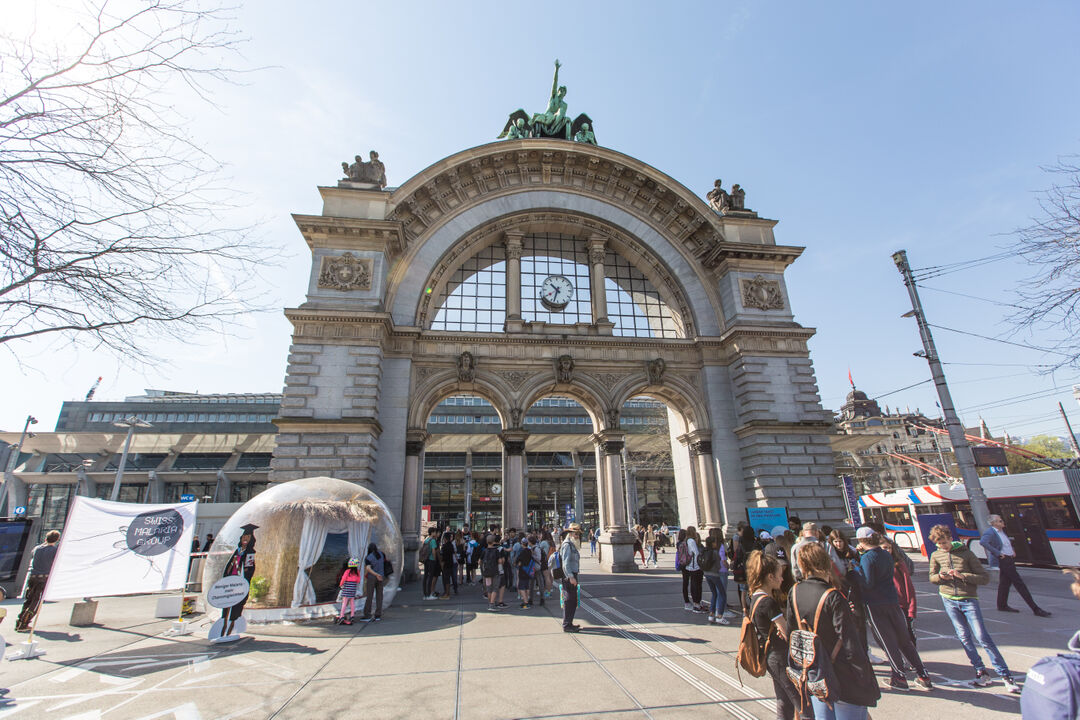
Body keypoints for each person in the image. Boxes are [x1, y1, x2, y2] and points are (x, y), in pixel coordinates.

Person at [788, 543, 881, 720]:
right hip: (842, 672)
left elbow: (793, 633)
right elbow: (849, 641)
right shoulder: (833, 596)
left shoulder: (794, 591)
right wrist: (863, 676)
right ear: (826, 563)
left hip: (816, 672)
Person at [928, 523, 1021, 693]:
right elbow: (932, 577)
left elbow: (984, 578)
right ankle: (980, 671)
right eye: (940, 543)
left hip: (968, 598)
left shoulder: (967, 554)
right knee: (963, 636)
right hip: (948, 599)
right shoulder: (935, 555)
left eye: (945, 542)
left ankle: (1005, 675)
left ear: (950, 538)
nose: (943, 546)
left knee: (982, 637)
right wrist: (940, 577)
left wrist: (962, 575)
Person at [853, 526, 933, 691]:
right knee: (904, 640)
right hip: (892, 601)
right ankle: (923, 674)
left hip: (875, 604)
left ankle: (899, 677)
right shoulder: (885, 554)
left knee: (886, 640)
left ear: (861, 541)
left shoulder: (868, 558)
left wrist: (855, 570)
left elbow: (868, 583)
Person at [745, 550, 803, 720]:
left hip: (770, 656)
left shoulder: (754, 597)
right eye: (779, 575)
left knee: (784, 702)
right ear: (770, 577)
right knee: (801, 703)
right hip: (780, 656)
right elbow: (786, 632)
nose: (782, 579)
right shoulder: (768, 602)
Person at [980, 514, 1052, 617]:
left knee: (1004, 583)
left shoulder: (1001, 531)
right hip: (1004, 560)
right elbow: (983, 542)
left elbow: (1005, 543)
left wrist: (1012, 550)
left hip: (1009, 558)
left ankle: (1002, 605)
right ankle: (1035, 609)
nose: (1002, 522)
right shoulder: (990, 532)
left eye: (1001, 520)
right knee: (1019, 583)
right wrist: (998, 553)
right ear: (994, 523)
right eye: (1000, 521)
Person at [15, 530, 60, 632]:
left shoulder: (37, 548)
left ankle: (20, 621)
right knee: (36, 602)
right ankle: (24, 624)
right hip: (43, 578)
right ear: (57, 540)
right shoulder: (54, 550)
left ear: (45, 538)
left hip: (32, 577)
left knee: (29, 600)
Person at [880, 536, 918, 647]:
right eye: (883, 548)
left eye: (888, 548)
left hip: (902, 605)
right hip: (887, 605)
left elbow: (909, 587)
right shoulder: (876, 564)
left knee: (908, 635)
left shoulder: (898, 564)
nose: (887, 551)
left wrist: (912, 608)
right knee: (893, 636)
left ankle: (914, 661)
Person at [559, 523, 582, 632]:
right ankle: (566, 625)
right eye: (576, 533)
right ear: (570, 533)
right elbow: (565, 563)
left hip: (572, 574)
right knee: (569, 600)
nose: (577, 536)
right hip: (569, 576)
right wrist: (571, 577)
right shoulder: (567, 544)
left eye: (578, 534)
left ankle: (570, 622)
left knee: (573, 600)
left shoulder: (572, 544)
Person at [702, 535, 730, 624]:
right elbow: (718, 565)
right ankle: (720, 615)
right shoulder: (714, 552)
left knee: (714, 593)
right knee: (722, 594)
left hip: (707, 573)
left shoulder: (705, 551)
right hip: (714, 574)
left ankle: (711, 614)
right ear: (712, 543)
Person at [360, 542, 387, 621]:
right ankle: (378, 614)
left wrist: (376, 575)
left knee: (369, 596)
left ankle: (367, 614)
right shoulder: (381, 554)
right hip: (381, 577)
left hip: (372, 578)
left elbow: (368, 568)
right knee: (379, 596)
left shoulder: (369, 557)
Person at [480, 534, 504, 612]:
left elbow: (480, 561)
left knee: (489, 588)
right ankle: (492, 604)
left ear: (487, 542)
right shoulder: (496, 551)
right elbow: (500, 561)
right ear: (493, 542)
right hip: (495, 572)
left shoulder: (484, 551)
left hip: (487, 573)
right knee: (495, 588)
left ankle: (490, 603)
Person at [684, 526, 705, 613]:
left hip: (690, 566)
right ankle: (697, 604)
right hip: (695, 566)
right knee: (696, 585)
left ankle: (697, 603)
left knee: (694, 584)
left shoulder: (686, 540)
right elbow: (696, 553)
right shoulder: (691, 541)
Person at [336, 558, 362, 625]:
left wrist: (340, 584)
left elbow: (343, 578)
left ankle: (341, 616)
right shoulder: (357, 572)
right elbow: (358, 580)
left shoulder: (347, 571)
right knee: (352, 602)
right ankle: (352, 616)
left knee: (344, 603)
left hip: (347, 588)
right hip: (353, 588)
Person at [420, 526, 440, 600]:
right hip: (431, 560)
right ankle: (429, 594)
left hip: (426, 560)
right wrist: (435, 559)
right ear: (432, 533)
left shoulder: (426, 540)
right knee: (430, 577)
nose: (435, 533)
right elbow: (433, 551)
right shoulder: (433, 540)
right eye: (434, 532)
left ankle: (425, 594)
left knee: (425, 576)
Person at [439, 531, 456, 599]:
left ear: (445, 539)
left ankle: (447, 593)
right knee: (448, 579)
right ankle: (447, 593)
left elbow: (443, 557)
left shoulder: (445, 546)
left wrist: (442, 564)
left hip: (446, 564)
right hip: (450, 563)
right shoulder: (451, 545)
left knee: (446, 580)